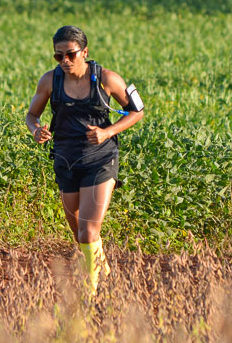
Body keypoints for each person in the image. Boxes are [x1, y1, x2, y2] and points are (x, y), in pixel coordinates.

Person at [25, 25, 145, 294]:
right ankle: (105, 273)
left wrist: (107, 132)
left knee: (88, 233)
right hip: (65, 160)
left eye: (70, 54)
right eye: (58, 56)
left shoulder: (107, 79)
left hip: (100, 160)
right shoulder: (49, 81)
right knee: (80, 233)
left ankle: (89, 296)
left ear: (85, 52)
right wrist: (36, 131)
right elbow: (31, 116)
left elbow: (137, 112)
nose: (64, 61)